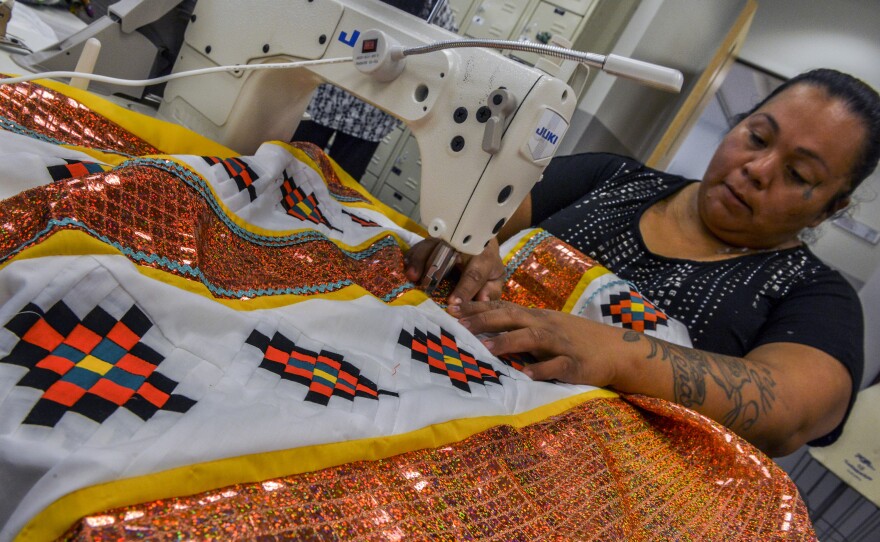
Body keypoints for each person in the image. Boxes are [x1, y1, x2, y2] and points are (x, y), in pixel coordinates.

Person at [405, 68, 880, 457]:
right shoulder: (610, 178)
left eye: (797, 173)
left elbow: (788, 411)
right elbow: (486, 215)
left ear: (831, 207)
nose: (757, 170)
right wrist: (470, 237)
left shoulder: (815, 295)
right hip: (432, 393)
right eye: (756, 138)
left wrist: (616, 352)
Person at [292, 0, 457, 181]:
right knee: (290, 166)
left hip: (371, 120)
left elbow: (444, 57)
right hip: (325, 99)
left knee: (340, 190)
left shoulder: (436, 9)